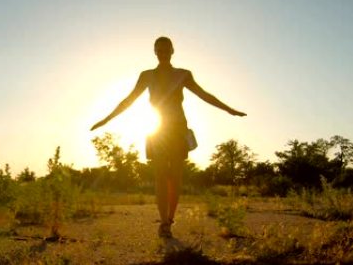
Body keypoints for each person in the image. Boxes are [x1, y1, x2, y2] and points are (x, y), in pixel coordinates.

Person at [90, 36, 246, 238]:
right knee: (160, 175)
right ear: (155, 52)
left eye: (166, 49)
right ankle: (164, 222)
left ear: (172, 51)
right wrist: (107, 119)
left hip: (178, 129)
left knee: (176, 178)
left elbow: (204, 94)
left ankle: (170, 218)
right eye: (159, 50)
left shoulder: (183, 74)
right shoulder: (146, 75)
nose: (163, 53)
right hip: (158, 129)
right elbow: (129, 99)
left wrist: (229, 109)